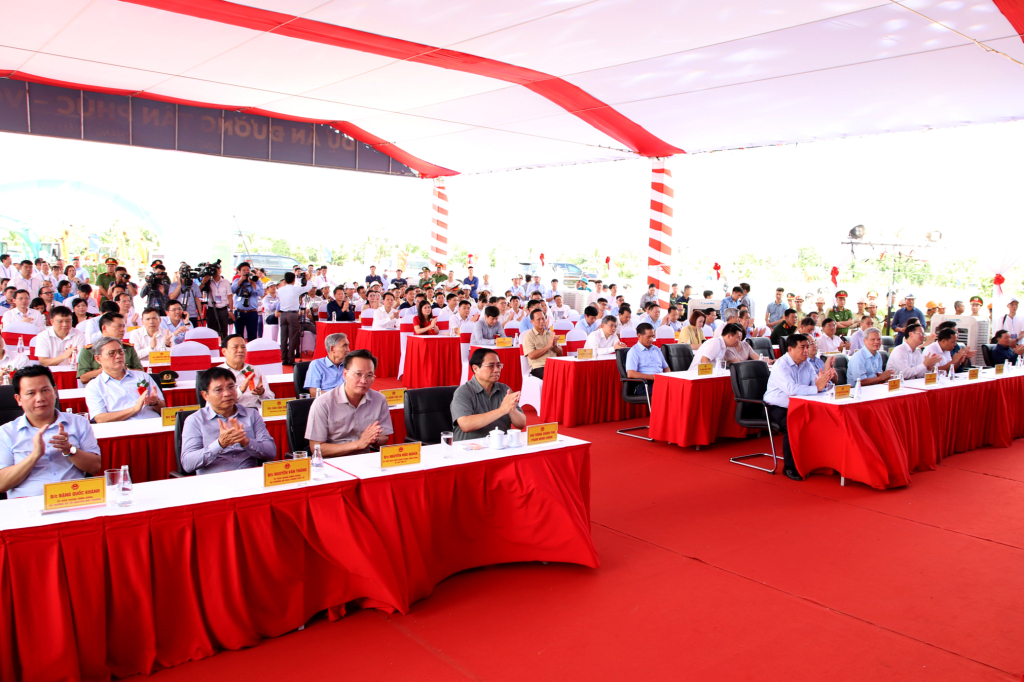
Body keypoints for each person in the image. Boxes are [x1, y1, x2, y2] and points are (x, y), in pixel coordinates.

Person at [0, 366, 103, 498]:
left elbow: (95, 467)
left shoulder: (78, 423)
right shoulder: (5, 433)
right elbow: (2, 484)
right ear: (18, 399)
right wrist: (35, 455)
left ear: (54, 391)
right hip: (29, 505)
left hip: (74, 498)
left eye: (45, 390)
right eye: (31, 393)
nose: (40, 398)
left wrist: (69, 450)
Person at [764, 334, 837, 480]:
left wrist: (825, 382)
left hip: (801, 404)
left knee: (824, 420)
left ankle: (819, 461)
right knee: (793, 424)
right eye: (802, 347)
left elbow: (815, 384)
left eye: (807, 347)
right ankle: (790, 467)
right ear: (790, 349)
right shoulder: (781, 365)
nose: (806, 351)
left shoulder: (806, 364)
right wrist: (817, 388)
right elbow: (792, 389)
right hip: (777, 406)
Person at [180, 366, 277, 475]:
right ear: (205, 395)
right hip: (213, 483)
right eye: (218, 390)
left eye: (231, 387)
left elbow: (271, 452)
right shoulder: (195, 421)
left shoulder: (251, 414)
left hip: (249, 479)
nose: (227, 393)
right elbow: (188, 464)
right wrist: (220, 444)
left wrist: (245, 442)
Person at [306, 349, 393, 455]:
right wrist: (359, 444)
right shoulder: (323, 403)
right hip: (333, 462)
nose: (363, 381)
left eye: (369, 375)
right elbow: (316, 448)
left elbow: (384, 437)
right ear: (345, 374)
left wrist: (374, 439)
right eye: (358, 374)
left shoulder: (379, 400)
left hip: (365, 460)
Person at [451, 348, 526, 441]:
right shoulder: (463, 392)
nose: (496, 370)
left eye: (499, 365)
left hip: (500, 445)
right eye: (491, 366)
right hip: (470, 448)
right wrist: (502, 410)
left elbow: (521, 424)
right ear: (475, 368)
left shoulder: (504, 390)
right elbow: (465, 425)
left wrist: (511, 409)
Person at [84, 336, 166, 421]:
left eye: (121, 352)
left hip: (153, 425)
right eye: (112, 353)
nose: (119, 356)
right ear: (98, 358)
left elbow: (163, 409)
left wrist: (156, 402)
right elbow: (100, 419)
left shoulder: (142, 376)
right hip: (123, 430)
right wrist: (134, 409)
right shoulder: (94, 386)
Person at [76, 313, 143, 384]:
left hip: (128, 385)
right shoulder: (89, 350)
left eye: (123, 326)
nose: (122, 330)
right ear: (104, 328)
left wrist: (125, 370)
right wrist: (107, 369)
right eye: (118, 326)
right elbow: (83, 378)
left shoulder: (129, 348)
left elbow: (140, 372)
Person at [219, 334, 277, 409]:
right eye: (235, 347)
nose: (240, 350)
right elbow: (215, 404)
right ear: (224, 351)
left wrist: (262, 393)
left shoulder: (255, 370)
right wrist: (240, 391)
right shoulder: (217, 373)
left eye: (243, 347)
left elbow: (271, 400)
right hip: (233, 416)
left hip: (256, 414)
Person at [277, 271, 314, 366]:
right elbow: (308, 287)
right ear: (294, 280)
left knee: (283, 337)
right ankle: (290, 359)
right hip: (293, 315)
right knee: (293, 337)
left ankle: (283, 358)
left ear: (285, 280)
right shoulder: (295, 289)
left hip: (283, 315)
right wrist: (308, 278)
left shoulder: (280, 290)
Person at [625, 323, 669, 400]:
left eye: (652, 336)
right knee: (667, 391)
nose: (651, 339)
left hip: (661, 381)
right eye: (648, 337)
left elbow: (666, 368)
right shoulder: (633, 352)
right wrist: (653, 377)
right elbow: (630, 373)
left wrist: (669, 378)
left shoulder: (656, 349)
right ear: (639, 336)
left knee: (679, 387)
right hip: (645, 383)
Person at [521, 308, 563, 379]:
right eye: (538, 319)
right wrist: (548, 346)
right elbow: (531, 355)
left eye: (543, 319)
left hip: (554, 365)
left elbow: (561, 353)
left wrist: (555, 346)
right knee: (553, 376)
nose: (542, 321)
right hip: (539, 367)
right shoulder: (529, 336)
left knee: (570, 373)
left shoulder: (550, 334)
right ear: (532, 321)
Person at [231, 261, 264, 340]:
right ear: (239, 272)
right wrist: (240, 280)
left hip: (252, 312)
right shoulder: (237, 281)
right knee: (238, 335)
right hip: (239, 312)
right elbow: (232, 290)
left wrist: (253, 283)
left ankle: (251, 351)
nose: (246, 272)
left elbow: (261, 293)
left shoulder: (256, 281)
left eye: (247, 270)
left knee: (252, 335)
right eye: (243, 270)